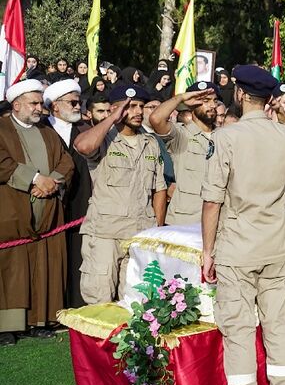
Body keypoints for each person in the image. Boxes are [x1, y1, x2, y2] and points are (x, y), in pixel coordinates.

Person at [201, 65, 285, 385]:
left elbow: (212, 200)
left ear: (240, 94)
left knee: (239, 334)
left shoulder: (226, 137)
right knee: (279, 330)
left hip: (238, 248)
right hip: (276, 246)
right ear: (270, 98)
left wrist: (207, 251)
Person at [74, 84, 168, 304]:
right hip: (105, 233)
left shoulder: (150, 143)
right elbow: (83, 146)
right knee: (100, 298)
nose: (138, 111)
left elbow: (159, 189)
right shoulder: (104, 139)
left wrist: (156, 230)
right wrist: (111, 119)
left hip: (140, 232)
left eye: (141, 106)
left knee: (137, 301)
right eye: (131, 106)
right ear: (114, 109)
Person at [0, 80, 74, 346]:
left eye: (40, 103)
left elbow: (66, 161)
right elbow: (3, 163)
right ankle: (7, 327)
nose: (38, 108)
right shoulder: (1, 129)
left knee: (44, 265)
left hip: (47, 212)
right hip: (11, 212)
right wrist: (34, 179)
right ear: (16, 105)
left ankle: (39, 321)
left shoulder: (47, 131)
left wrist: (51, 182)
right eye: (33, 103)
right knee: (12, 270)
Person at [43, 79, 93, 309]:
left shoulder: (84, 130)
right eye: (72, 102)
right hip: (50, 201)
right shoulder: (42, 129)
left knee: (77, 253)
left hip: (80, 202)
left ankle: (76, 302)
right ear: (55, 105)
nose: (77, 107)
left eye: (79, 102)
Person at [149, 81, 218, 225]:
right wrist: (180, 98)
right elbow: (156, 119)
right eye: (206, 101)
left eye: (215, 101)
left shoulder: (224, 136)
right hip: (184, 220)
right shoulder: (181, 134)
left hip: (216, 219)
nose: (212, 105)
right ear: (192, 104)